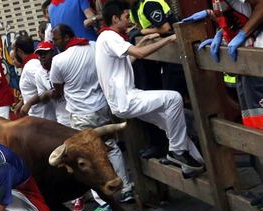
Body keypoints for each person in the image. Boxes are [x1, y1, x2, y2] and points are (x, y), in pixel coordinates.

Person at [96, 0, 205, 178]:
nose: (128, 21)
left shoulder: (104, 38)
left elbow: (128, 60)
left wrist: (144, 40)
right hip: (126, 99)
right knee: (174, 98)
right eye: (125, 17)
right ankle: (177, 151)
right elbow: (139, 55)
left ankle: (193, 164)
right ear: (115, 19)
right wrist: (169, 38)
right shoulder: (109, 37)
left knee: (169, 124)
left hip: (124, 100)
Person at [50, 24, 134, 211]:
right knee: (110, 147)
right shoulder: (94, 46)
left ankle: (104, 201)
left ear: (66, 36)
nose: (55, 43)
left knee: (87, 156)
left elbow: (57, 87)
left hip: (80, 113)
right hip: (102, 105)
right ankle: (127, 187)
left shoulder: (59, 60)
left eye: (57, 39)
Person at [182, 0, 263, 179]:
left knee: (259, 128)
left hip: (256, 57)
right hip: (244, 64)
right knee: (253, 127)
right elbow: (235, 15)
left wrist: (242, 34)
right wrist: (222, 31)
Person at [14, 35, 56, 120]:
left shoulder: (31, 66)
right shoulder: (32, 64)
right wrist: (23, 102)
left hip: (43, 118)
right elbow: (35, 88)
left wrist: (28, 104)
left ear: (19, 51)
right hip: (41, 118)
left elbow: (47, 89)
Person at [35, 41, 70, 127]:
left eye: (45, 53)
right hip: (62, 117)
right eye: (40, 54)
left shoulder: (62, 64)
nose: (42, 56)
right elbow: (42, 98)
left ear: (53, 52)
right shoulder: (39, 74)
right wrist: (48, 94)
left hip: (76, 111)